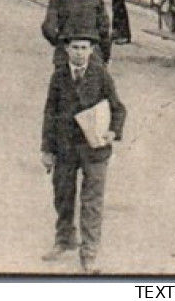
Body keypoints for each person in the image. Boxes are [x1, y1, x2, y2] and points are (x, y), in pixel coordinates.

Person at [41, 31, 126, 274]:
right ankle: (64, 239)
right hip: (65, 147)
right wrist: (47, 149)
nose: (79, 52)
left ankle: (89, 253)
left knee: (92, 202)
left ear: (91, 51)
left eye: (84, 48)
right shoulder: (58, 77)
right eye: (75, 47)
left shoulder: (101, 75)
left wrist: (113, 132)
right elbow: (49, 114)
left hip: (95, 149)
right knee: (63, 195)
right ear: (66, 50)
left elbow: (118, 109)